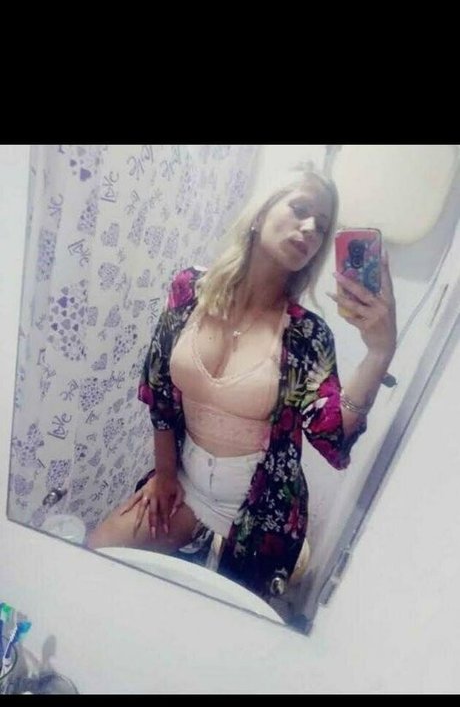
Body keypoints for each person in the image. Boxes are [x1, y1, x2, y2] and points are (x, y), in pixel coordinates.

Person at [87, 163, 397, 602]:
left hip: (262, 513)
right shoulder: (189, 289)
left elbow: (331, 437)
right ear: (261, 212)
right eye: (300, 209)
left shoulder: (306, 334)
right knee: (100, 550)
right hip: (186, 482)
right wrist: (165, 475)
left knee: (223, 622)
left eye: (322, 226)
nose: (310, 228)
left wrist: (378, 354)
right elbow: (159, 390)